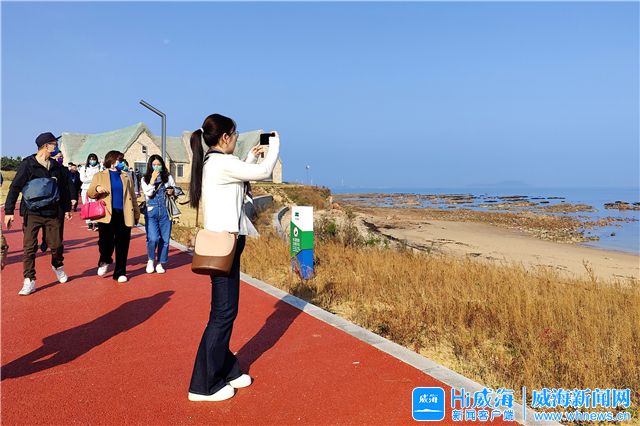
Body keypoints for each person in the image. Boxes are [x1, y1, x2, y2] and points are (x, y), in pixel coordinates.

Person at [187, 114, 280, 402]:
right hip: (224, 245)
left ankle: (227, 369)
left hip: (226, 242)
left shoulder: (216, 162)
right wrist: (275, 145)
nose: (237, 138)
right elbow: (264, 172)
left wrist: (250, 156)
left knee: (225, 311)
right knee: (223, 313)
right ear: (225, 137)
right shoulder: (220, 163)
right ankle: (203, 385)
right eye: (235, 134)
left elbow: (241, 177)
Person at [3, 132, 72, 295]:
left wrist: (67, 208)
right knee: (29, 248)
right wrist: (9, 211)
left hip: (52, 212)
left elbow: (64, 188)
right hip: (32, 212)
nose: (56, 147)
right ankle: (29, 280)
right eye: (54, 144)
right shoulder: (28, 164)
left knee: (57, 245)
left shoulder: (56, 167)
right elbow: (15, 187)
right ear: (46, 146)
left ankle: (57, 265)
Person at [87, 151, 140, 283]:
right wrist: (97, 189)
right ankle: (105, 259)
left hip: (124, 213)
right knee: (105, 242)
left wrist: (136, 213)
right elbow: (90, 193)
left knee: (123, 244)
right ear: (112, 161)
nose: (122, 163)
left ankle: (120, 272)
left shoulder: (126, 176)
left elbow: (132, 197)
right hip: (107, 214)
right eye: (119, 160)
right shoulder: (99, 175)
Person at [140, 155, 176, 274]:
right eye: (154, 164)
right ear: (150, 165)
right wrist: (152, 180)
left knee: (165, 239)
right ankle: (151, 259)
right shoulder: (145, 179)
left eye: (159, 164)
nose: (156, 167)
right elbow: (148, 193)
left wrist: (172, 191)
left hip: (165, 211)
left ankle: (160, 262)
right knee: (153, 238)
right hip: (152, 211)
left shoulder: (168, 177)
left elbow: (175, 190)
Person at [80, 153, 102, 231]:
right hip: (85, 189)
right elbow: (83, 179)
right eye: (91, 159)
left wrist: (89, 178)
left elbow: (100, 178)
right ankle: (89, 222)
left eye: (94, 159)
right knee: (87, 205)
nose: (92, 161)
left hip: (96, 189)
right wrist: (93, 178)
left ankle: (96, 222)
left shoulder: (100, 168)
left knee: (96, 205)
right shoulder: (84, 168)